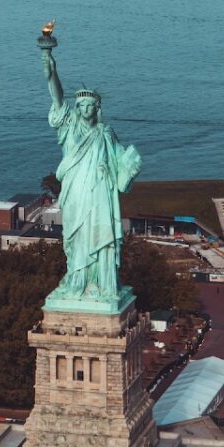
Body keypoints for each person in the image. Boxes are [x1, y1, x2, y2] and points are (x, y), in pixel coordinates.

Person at [42, 48, 141, 302]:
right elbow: (57, 98)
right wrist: (51, 71)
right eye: (81, 104)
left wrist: (131, 164)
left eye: (90, 105)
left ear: (97, 108)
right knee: (75, 235)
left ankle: (102, 282)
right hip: (76, 190)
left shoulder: (106, 133)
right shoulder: (69, 125)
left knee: (100, 234)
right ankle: (77, 279)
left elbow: (122, 162)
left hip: (99, 192)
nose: (85, 108)